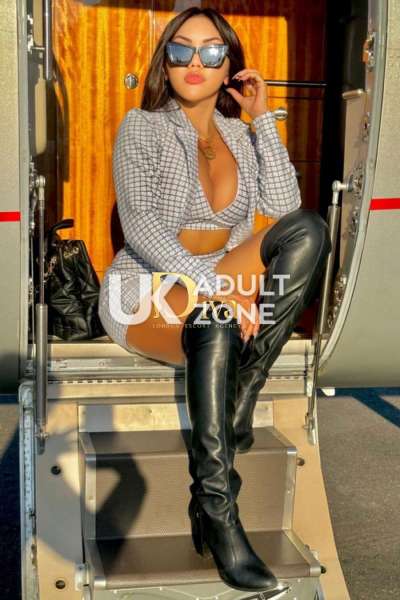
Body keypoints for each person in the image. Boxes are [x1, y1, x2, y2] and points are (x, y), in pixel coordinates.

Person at [98, 6, 331, 593]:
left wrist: (262, 119)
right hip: (147, 288)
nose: (194, 62)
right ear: (165, 63)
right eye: (181, 50)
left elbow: (283, 207)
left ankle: (243, 389)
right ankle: (218, 510)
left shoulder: (237, 135)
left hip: (215, 282)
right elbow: (142, 228)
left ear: (230, 66)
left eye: (211, 51)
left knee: (308, 230)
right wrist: (221, 287)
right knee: (216, 318)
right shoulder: (142, 127)